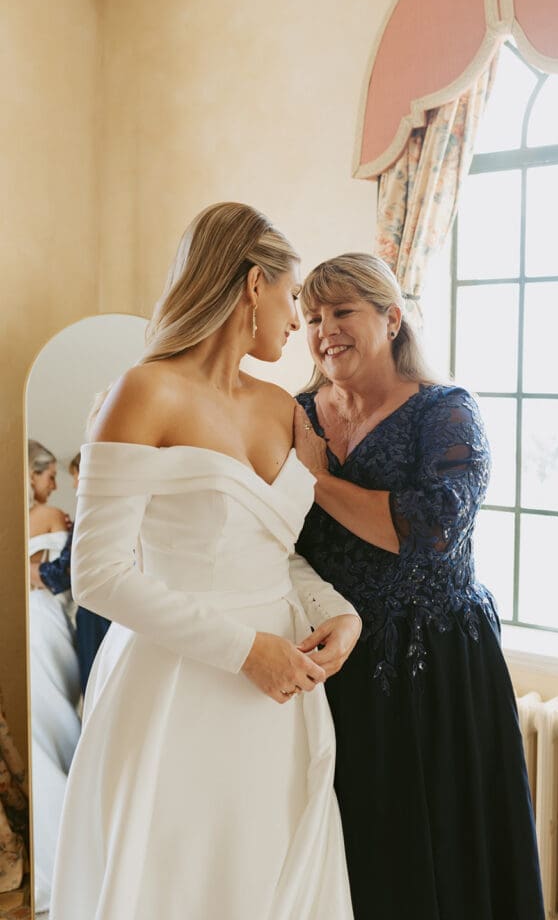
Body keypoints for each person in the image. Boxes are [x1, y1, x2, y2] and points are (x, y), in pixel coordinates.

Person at [50, 203, 360, 920]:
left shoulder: (284, 405)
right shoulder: (143, 391)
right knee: (178, 883)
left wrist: (336, 614)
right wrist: (244, 649)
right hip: (177, 686)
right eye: (291, 297)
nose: (298, 322)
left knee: (267, 877)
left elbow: (274, 555)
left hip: (278, 694)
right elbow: (97, 574)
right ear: (253, 286)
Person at [293, 253, 545, 920]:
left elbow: (429, 531)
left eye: (342, 311)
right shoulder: (295, 413)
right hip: (326, 655)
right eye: (312, 317)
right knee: (344, 842)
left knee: (436, 843)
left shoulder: (445, 410)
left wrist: (316, 479)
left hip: (432, 660)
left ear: (391, 317)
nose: (325, 330)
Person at [27, 440, 81, 915]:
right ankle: (71, 849)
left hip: (29, 616)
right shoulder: (52, 516)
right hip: (44, 618)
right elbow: (64, 572)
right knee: (58, 720)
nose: (55, 485)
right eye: (48, 477)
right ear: (32, 476)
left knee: (42, 722)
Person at [32, 454, 111, 694]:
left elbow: (66, 571)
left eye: (75, 476)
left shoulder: (97, 513)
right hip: (93, 611)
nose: (74, 484)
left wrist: (24, 570)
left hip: (99, 614)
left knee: (98, 686)